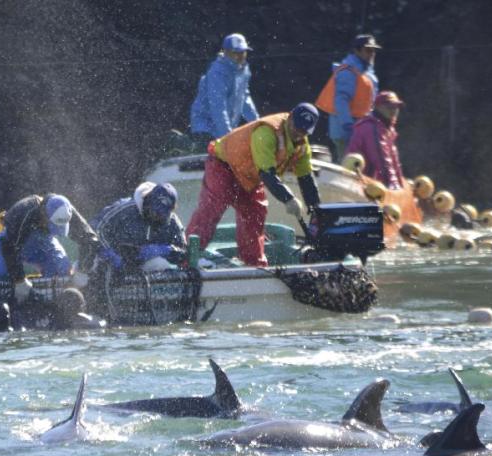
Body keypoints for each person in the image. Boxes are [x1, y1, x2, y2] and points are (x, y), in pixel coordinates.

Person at [186, 103, 323, 267]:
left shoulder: (301, 145)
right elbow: (267, 174)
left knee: (255, 214)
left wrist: (317, 212)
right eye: (296, 127)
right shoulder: (267, 132)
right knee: (213, 207)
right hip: (223, 166)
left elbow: (306, 179)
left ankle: (255, 265)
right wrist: (288, 198)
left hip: (249, 176)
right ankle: (188, 257)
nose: (298, 133)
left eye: (303, 131)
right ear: (290, 117)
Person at [0, 194, 99, 302]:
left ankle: (53, 306)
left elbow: (90, 240)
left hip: (42, 240)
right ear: (44, 214)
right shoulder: (24, 212)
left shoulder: (67, 210)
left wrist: (82, 271)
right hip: (7, 241)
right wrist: (19, 280)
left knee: (62, 268)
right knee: (4, 280)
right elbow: (9, 247)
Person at [91, 182, 186, 276]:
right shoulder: (124, 209)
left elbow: (183, 250)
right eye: (155, 212)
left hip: (142, 268)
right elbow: (95, 230)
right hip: (110, 263)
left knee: (160, 264)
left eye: (162, 214)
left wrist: (162, 250)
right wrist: (110, 253)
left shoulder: (173, 221)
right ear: (147, 201)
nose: (157, 217)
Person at [316, 34, 381, 163]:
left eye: (374, 50)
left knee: (359, 165)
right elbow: (341, 100)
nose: (372, 53)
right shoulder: (348, 72)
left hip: (360, 128)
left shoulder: (368, 74)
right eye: (368, 50)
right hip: (345, 129)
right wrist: (348, 125)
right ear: (357, 50)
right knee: (347, 164)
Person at [188, 33, 260, 148]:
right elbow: (218, 107)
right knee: (216, 162)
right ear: (226, 52)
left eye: (243, 52)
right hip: (206, 129)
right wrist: (228, 137)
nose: (240, 56)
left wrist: (258, 125)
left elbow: (245, 99)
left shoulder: (243, 70)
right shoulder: (217, 73)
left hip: (224, 130)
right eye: (236, 53)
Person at [345, 90, 405, 189]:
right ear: (378, 107)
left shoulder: (386, 128)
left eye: (396, 107)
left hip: (369, 184)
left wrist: (400, 185)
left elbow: (394, 163)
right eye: (389, 106)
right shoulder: (371, 127)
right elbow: (382, 160)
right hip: (357, 184)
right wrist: (394, 187)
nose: (393, 110)